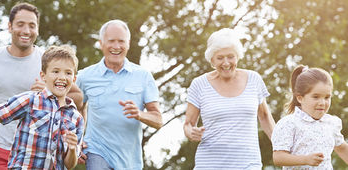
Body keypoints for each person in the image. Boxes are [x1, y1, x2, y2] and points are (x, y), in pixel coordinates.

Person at [0, 2, 82, 169]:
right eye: (20, 24)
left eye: (32, 25)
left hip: (39, 153)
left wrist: (49, 93)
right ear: (10, 26)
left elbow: (78, 96)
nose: (26, 31)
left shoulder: (49, 62)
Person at [76, 20, 163, 170]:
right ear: (101, 43)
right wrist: (77, 140)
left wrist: (139, 114)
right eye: (111, 41)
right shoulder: (85, 76)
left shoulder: (143, 76)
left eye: (121, 41)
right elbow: (75, 108)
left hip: (129, 159)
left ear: (128, 44)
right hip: (96, 150)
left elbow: (158, 119)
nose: (116, 47)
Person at [183, 28, 275, 169]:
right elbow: (188, 124)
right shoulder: (199, 84)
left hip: (248, 164)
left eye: (230, 56)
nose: (226, 63)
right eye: (220, 58)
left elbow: (264, 116)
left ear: (238, 56)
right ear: (212, 60)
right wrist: (191, 133)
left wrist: (281, 146)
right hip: (209, 165)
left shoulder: (254, 79)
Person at [272, 65, 348, 169]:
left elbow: (342, 148)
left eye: (327, 97)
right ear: (300, 98)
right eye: (315, 97)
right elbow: (278, 157)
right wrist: (305, 159)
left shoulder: (331, 123)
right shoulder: (289, 123)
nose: (322, 103)